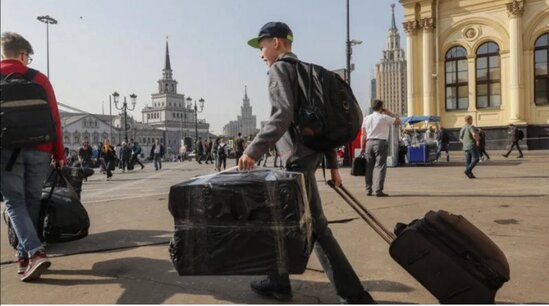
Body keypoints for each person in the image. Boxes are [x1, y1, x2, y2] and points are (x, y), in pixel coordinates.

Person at [239, 21, 374, 303]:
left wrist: (252, 150)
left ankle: (353, 295)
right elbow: (321, 125)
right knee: (282, 221)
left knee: (316, 229)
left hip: (296, 161)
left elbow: (282, 115)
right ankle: (278, 282)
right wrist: (334, 167)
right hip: (310, 158)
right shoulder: (307, 71)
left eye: (262, 45)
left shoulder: (280, 69)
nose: (261, 53)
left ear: (276, 43)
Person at [0, 32, 65, 281]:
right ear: (24, 54)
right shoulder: (39, 78)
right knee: (31, 202)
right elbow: (55, 120)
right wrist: (59, 154)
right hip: (40, 150)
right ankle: (23, 257)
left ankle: (35, 253)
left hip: (5, 153)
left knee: (15, 203)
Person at [360, 99, 401, 197]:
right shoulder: (384, 117)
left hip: (369, 143)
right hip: (380, 143)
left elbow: (363, 135)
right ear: (381, 107)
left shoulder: (366, 118)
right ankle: (378, 190)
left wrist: (362, 147)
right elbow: (398, 121)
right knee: (381, 167)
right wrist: (390, 112)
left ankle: (368, 189)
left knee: (369, 167)